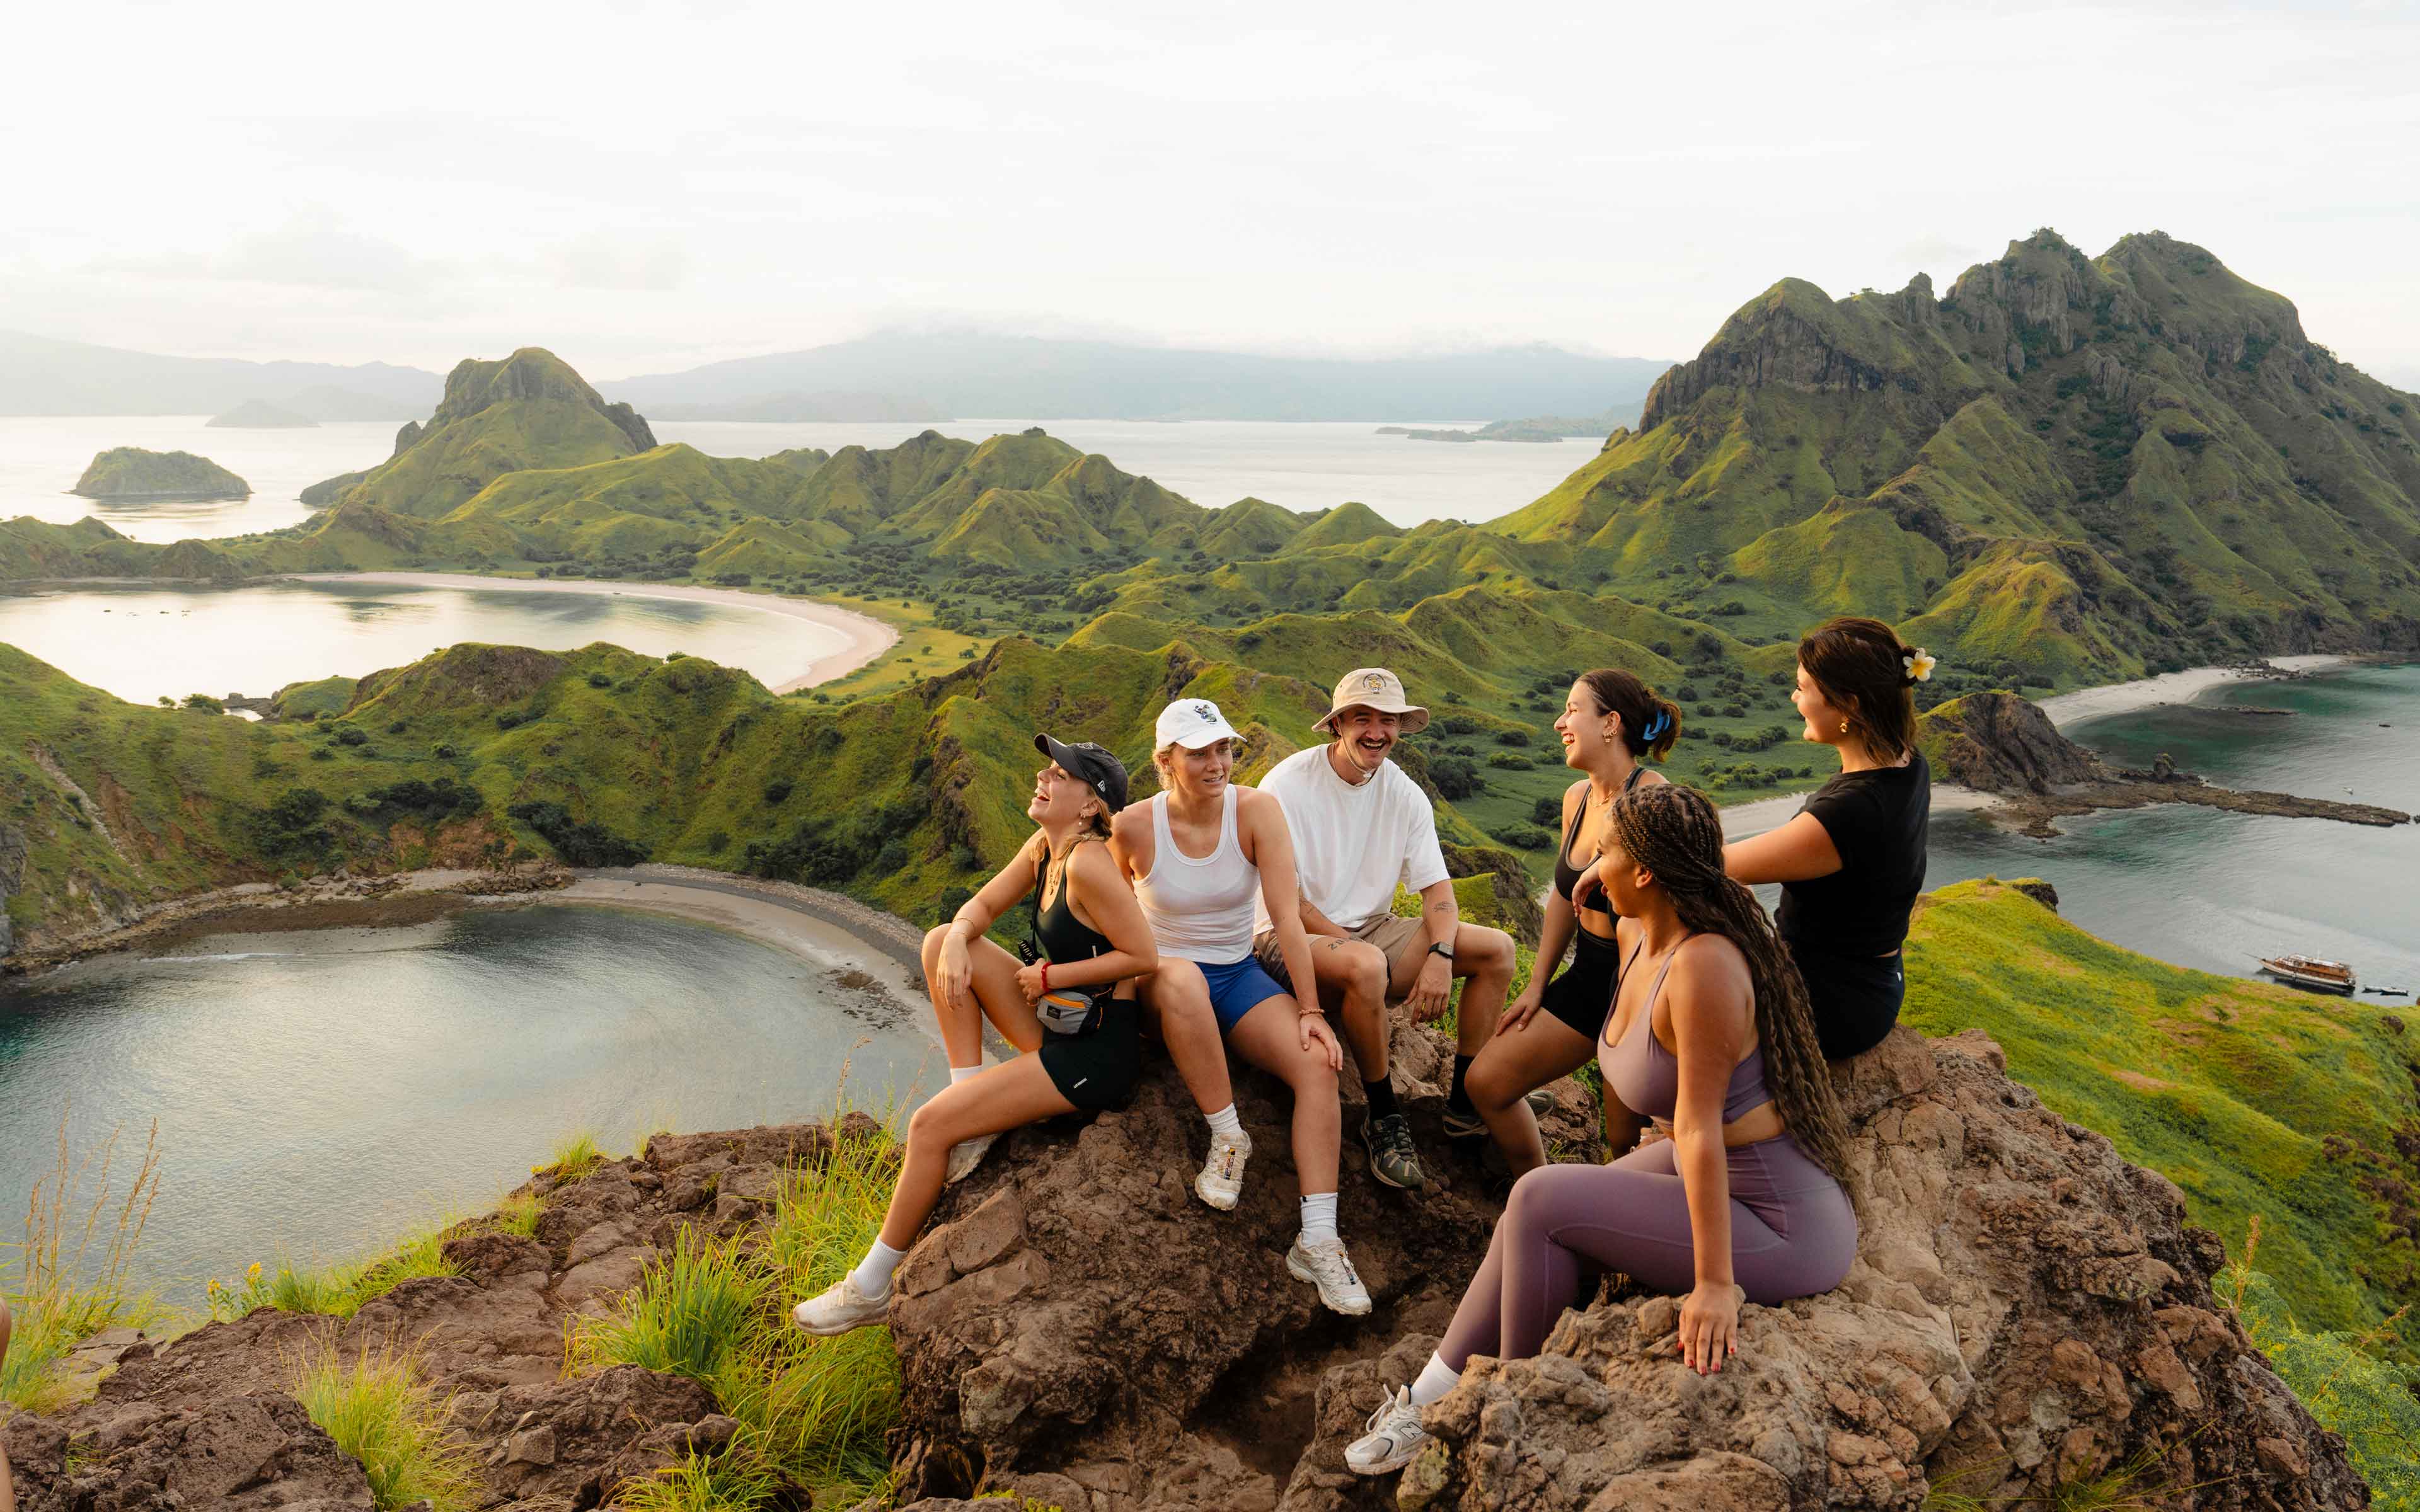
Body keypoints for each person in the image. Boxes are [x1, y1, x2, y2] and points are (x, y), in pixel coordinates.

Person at [1345, 782, 1858, 1477]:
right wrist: (1601, 875)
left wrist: (1714, 1285)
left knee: (1541, 1199)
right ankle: (1430, 1397)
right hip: (1698, 1169)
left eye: (1605, 850)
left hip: (1781, 1222)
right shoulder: (1635, 928)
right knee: (1532, 1219)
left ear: (1645, 872)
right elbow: (1645, 1078)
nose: (1591, 861)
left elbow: (1701, 1129)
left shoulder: (1703, 966)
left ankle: (1506, 1398)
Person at [793, 735, 1164, 1335]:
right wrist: (965, 938)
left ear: (1091, 805)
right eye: (1047, 767)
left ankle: (869, 1287)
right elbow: (980, 906)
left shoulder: (1091, 862)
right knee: (942, 939)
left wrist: (1051, 974)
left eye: (1060, 774)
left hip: (1096, 1054)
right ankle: (970, 1099)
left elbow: (1143, 955)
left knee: (927, 1125)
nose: (1043, 776)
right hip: (1058, 1026)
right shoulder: (1046, 848)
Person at [1113, 697, 1371, 1315]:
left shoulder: (1256, 811)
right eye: (1199, 753)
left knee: (1317, 1064)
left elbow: (1285, 915)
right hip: (1164, 987)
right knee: (1180, 979)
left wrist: (1309, 1009)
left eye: (1224, 748)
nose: (1217, 763)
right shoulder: (1132, 827)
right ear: (1166, 760)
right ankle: (1229, 1138)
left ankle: (1318, 1239)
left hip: (1235, 976)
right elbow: (1112, 924)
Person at [1250, 668, 1525, 1191]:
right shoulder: (1285, 786)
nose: (1376, 731)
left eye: (1388, 720)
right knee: (1367, 963)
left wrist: (1441, 956)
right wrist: (1355, 948)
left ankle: (1466, 1102)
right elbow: (1286, 901)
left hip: (1370, 932)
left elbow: (1439, 895)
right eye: (1362, 718)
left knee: (1497, 950)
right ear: (1337, 725)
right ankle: (1382, 1115)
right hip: (1284, 939)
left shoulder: (1403, 793)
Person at [1463, 669, 1676, 1176]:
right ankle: (1535, 1193)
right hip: (1589, 977)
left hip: (1642, 988)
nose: (1560, 722)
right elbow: (1564, 896)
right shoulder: (1577, 799)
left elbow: (1666, 920)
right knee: (1485, 1084)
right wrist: (1538, 985)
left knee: (1627, 1139)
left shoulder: (1651, 796)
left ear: (1611, 723)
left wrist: (1634, 1023)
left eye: (1572, 710)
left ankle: (1616, 1235)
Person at [1722, 617, 1935, 1060]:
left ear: (1848, 706)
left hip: (1830, 1002)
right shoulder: (1907, 763)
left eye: (1803, 688)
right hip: (1873, 984)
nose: (1794, 698)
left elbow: (1713, 864)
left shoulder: (1851, 811)